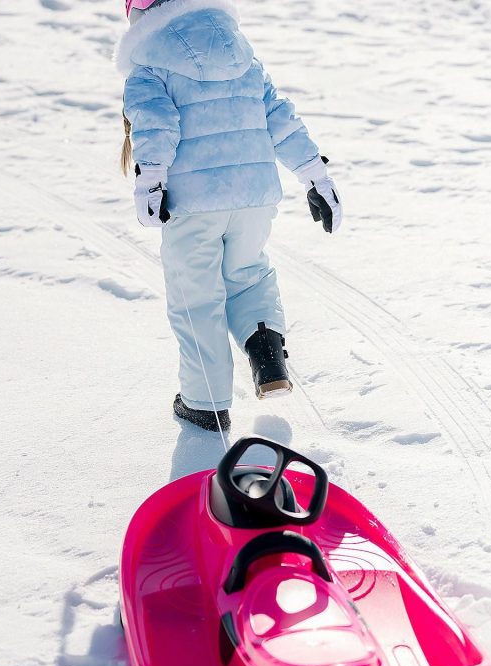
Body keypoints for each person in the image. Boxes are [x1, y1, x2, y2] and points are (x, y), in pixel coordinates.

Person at [115, 0, 342, 433]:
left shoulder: (148, 61)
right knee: (248, 274)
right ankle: (266, 351)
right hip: (254, 197)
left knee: (195, 295)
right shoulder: (239, 50)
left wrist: (151, 181)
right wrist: (314, 175)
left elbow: (155, 123)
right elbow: (277, 115)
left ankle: (205, 403)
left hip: (193, 202)